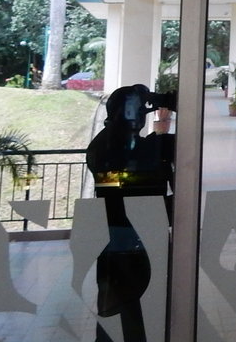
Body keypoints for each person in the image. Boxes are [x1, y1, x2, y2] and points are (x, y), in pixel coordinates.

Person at [85, 83, 178, 342]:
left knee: (132, 315)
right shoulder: (110, 147)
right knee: (121, 317)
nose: (139, 115)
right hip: (123, 243)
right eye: (134, 110)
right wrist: (165, 101)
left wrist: (163, 100)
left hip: (130, 242)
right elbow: (118, 185)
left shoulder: (128, 145)